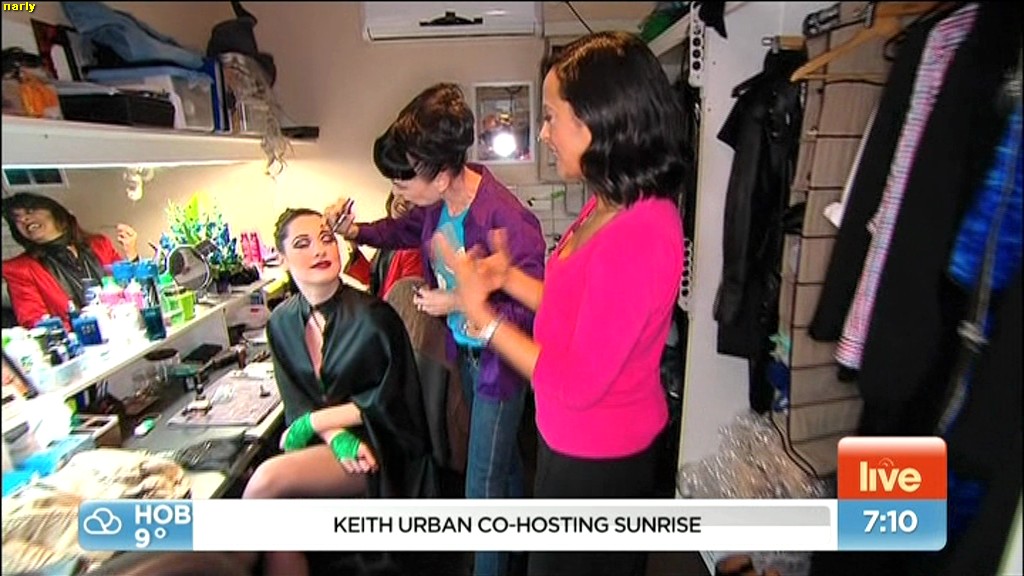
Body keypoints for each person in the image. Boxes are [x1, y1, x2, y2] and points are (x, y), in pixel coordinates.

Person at [434, 31, 687, 576]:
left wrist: (484, 321)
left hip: (601, 462)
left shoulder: (640, 233)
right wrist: (507, 278)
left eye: (551, 117)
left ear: (599, 118)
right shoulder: (608, 202)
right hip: (569, 439)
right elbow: (579, 311)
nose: (544, 132)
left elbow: (575, 381)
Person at [329, 82, 546, 576]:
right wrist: (354, 231)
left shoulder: (506, 218)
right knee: (506, 465)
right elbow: (402, 231)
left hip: (500, 365)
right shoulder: (439, 204)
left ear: (443, 175)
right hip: (467, 356)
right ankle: (517, 557)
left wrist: (460, 300)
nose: (399, 195)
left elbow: (534, 308)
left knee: (481, 489)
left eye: (405, 186)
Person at [242, 208, 437, 576]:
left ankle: (223, 559)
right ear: (281, 258)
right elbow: (297, 401)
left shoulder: (374, 317)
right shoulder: (281, 322)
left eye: (327, 239)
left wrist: (316, 422)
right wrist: (333, 435)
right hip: (331, 443)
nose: (320, 250)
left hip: (382, 444)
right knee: (280, 524)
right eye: (303, 244)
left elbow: (392, 398)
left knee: (267, 479)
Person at [2, 192, 139, 328]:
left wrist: (131, 253)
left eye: (30, 211)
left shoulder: (99, 244)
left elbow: (130, 289)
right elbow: (35, 322)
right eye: (16, 218)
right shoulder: (19, 269)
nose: (23, 219)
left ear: (54, 212)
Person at [343, 192, 424, 299]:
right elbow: (374, 279)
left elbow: (405, 295)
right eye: (401, 192)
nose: (404, 201)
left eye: (414, 200)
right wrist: (353, 249)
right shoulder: (386, 238)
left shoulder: (412, 249)